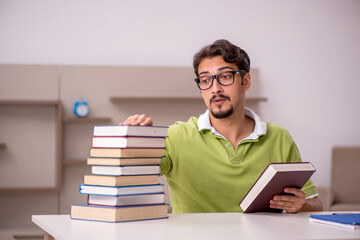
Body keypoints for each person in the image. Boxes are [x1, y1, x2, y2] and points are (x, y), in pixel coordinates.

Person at [120, 39, 323, 213]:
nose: (215, 89)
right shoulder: (176, 136)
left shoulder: (279, 137)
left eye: (225, 77)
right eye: (205, 80)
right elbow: (129, 175)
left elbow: (316, 203)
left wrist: (301, 205)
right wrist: (136, 138)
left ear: (246, 81)